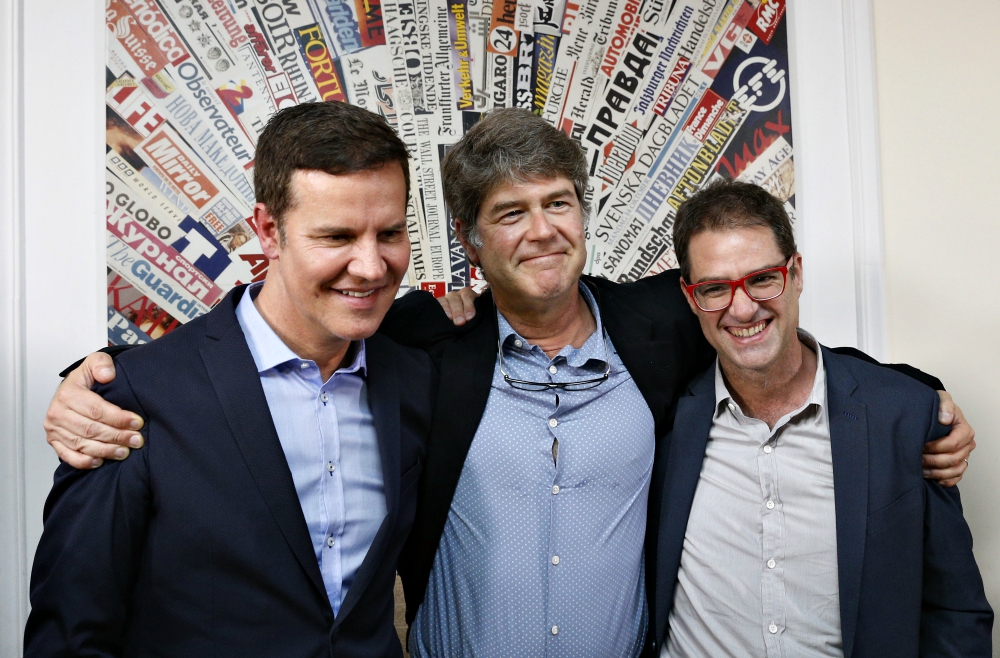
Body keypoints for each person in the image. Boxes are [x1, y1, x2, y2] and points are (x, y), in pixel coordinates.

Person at [44, 109, 976, 657]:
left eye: (558, 204)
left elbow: (761, 321)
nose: (540, 232)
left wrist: (912, 398)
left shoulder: (658, 330)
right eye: (509, 213)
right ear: (470, 244)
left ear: (584, 215)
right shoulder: (420, 351)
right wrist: (83, 384)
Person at [25, 102, 435, 657]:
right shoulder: (132, 395)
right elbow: (72, 636)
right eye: (336, 237)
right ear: (268, 229)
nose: (370, 265)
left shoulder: (415, 376)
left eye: (389, 233)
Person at [651, 180, 992, 656]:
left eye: (763, 278)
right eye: (714, 288)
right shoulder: (661, 424)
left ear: (796, 273)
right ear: (691, 298)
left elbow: (956, 614)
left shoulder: (904, 416)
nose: (743, 307)